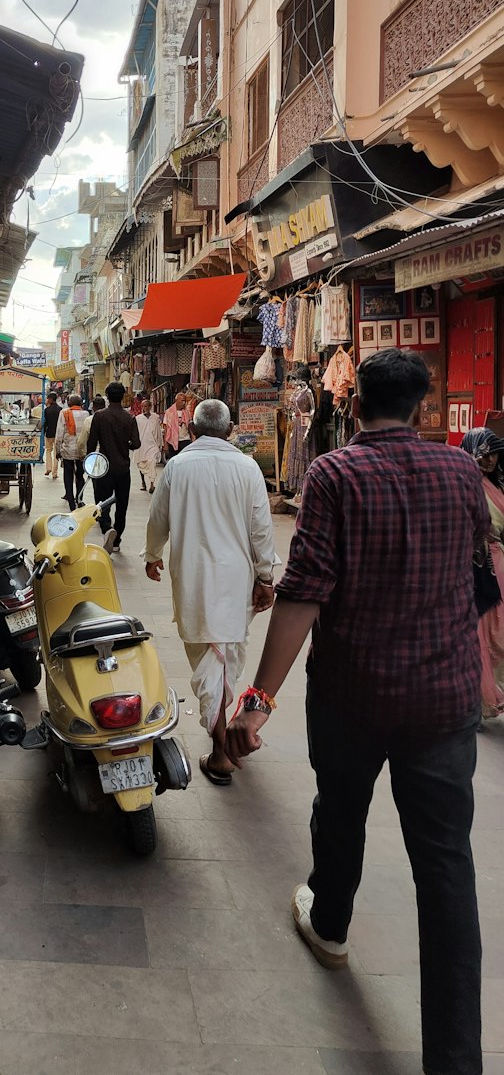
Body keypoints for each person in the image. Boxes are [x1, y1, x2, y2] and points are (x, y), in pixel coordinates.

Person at [225, 349, 489, 1075]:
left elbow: (304, 591)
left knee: (340, 810)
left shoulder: (334, 474)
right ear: (423, 407)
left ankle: (331, 923)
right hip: (443, 699)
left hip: (353, 693)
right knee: (447, 867)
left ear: (353, 402)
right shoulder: (464, 471)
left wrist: (258, 701)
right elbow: (479, 579)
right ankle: (456, 1061)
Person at [144, 399, 275, 783]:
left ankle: (221, 750)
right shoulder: (247, 467)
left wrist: (152, 555)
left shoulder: (178, 466)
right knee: (223, 660)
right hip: (237, 581)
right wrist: (266, 576)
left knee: (210, 662)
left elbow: (157, 518)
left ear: (191, 430)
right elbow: (261, 528)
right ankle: (225, 742)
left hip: (195, 580)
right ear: (231, 430)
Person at [459, 428, 504, 717]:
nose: (488, 459)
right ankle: (478, 701)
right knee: (479, 634)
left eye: (493, 453)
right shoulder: (463, 482)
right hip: (473, 567)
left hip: (499, 562)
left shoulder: (498, 484)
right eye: (483, 453)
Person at [86, 382, 140, 553]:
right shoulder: (129, 418)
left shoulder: (100, 416)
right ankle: (117, 541)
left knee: (102, 502)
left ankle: (106, 528)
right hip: (123, 469)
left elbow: (91, 443)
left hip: (103, 467)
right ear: (123, 396)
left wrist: (90, 463)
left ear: (107, 397)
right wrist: (126, 444)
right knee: (122, 505)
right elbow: (136, 443)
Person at [55, 393, 90, 511]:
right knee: (80, 475)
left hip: (67, 450)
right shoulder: (86, 414)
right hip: (81, 451)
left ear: (69, 403)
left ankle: (70, 499)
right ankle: (79, 499)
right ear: (81, 404)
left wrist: (57, 450)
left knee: (68, 475)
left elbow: (59, 433)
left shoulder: (64, 413)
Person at [133, 396, 163, 493]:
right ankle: (143, 482)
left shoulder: (155, 417)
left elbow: (158, 431)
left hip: (153, 446)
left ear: (150, 407)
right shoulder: (137, 419)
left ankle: (152, 484)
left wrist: (160, 444)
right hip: (141, 445)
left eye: (146, 406)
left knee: (152, 462)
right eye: (143, 407)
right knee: (141, 463)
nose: (144, 408)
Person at [162, 392, 191, 460]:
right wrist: (165, 445)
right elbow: (166, 428)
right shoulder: (169, 412)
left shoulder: (187, 412)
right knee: (173, 461)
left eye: (185, 401)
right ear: (176, 401)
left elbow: (189, 426)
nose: (184, 403)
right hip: (172, 441)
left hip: (185, 440)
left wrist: (193, 438)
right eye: (182, 401)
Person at [42, 391, 60, 479]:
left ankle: (48, 468)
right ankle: (54, 473)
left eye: (48, 398)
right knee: (56, 453)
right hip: (57, 434)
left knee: (48, 451)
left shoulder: (46, 410)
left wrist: (44, 431)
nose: (47, 400)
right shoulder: (60, 410)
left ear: (51, 399)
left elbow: (45, 423)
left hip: (49, 433)